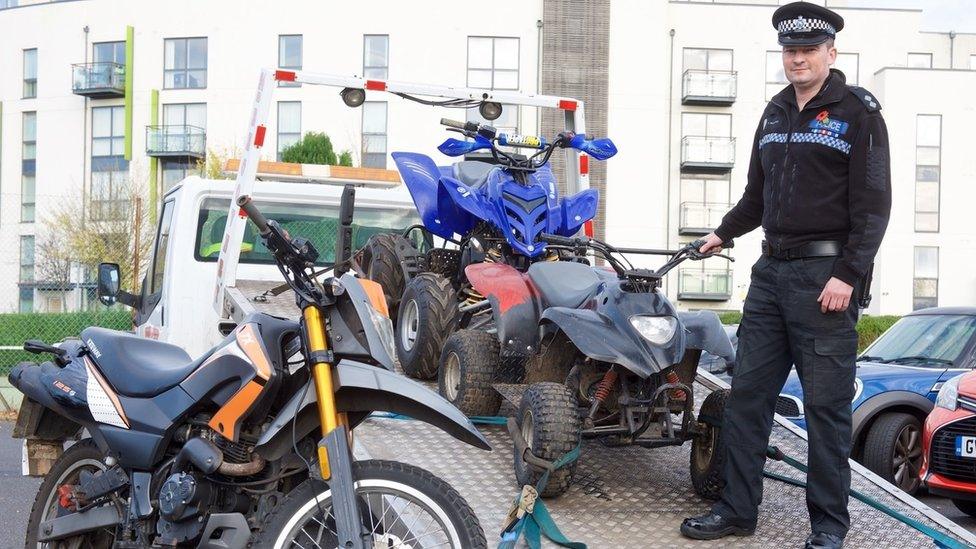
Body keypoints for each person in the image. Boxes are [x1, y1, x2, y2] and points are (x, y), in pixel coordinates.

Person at [679, 2, 891, 548]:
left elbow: (874, 206)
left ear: (830, 53)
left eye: (808, 50)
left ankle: (827, 528)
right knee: (747, 398)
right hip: (771, 274)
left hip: (826, 280)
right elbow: (757, 196)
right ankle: (736, 510)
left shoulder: (858, 112)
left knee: (825, 412)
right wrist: (721, 234)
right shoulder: (774, 113)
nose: (797, 59)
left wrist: (848, 274)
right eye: (790, 51)